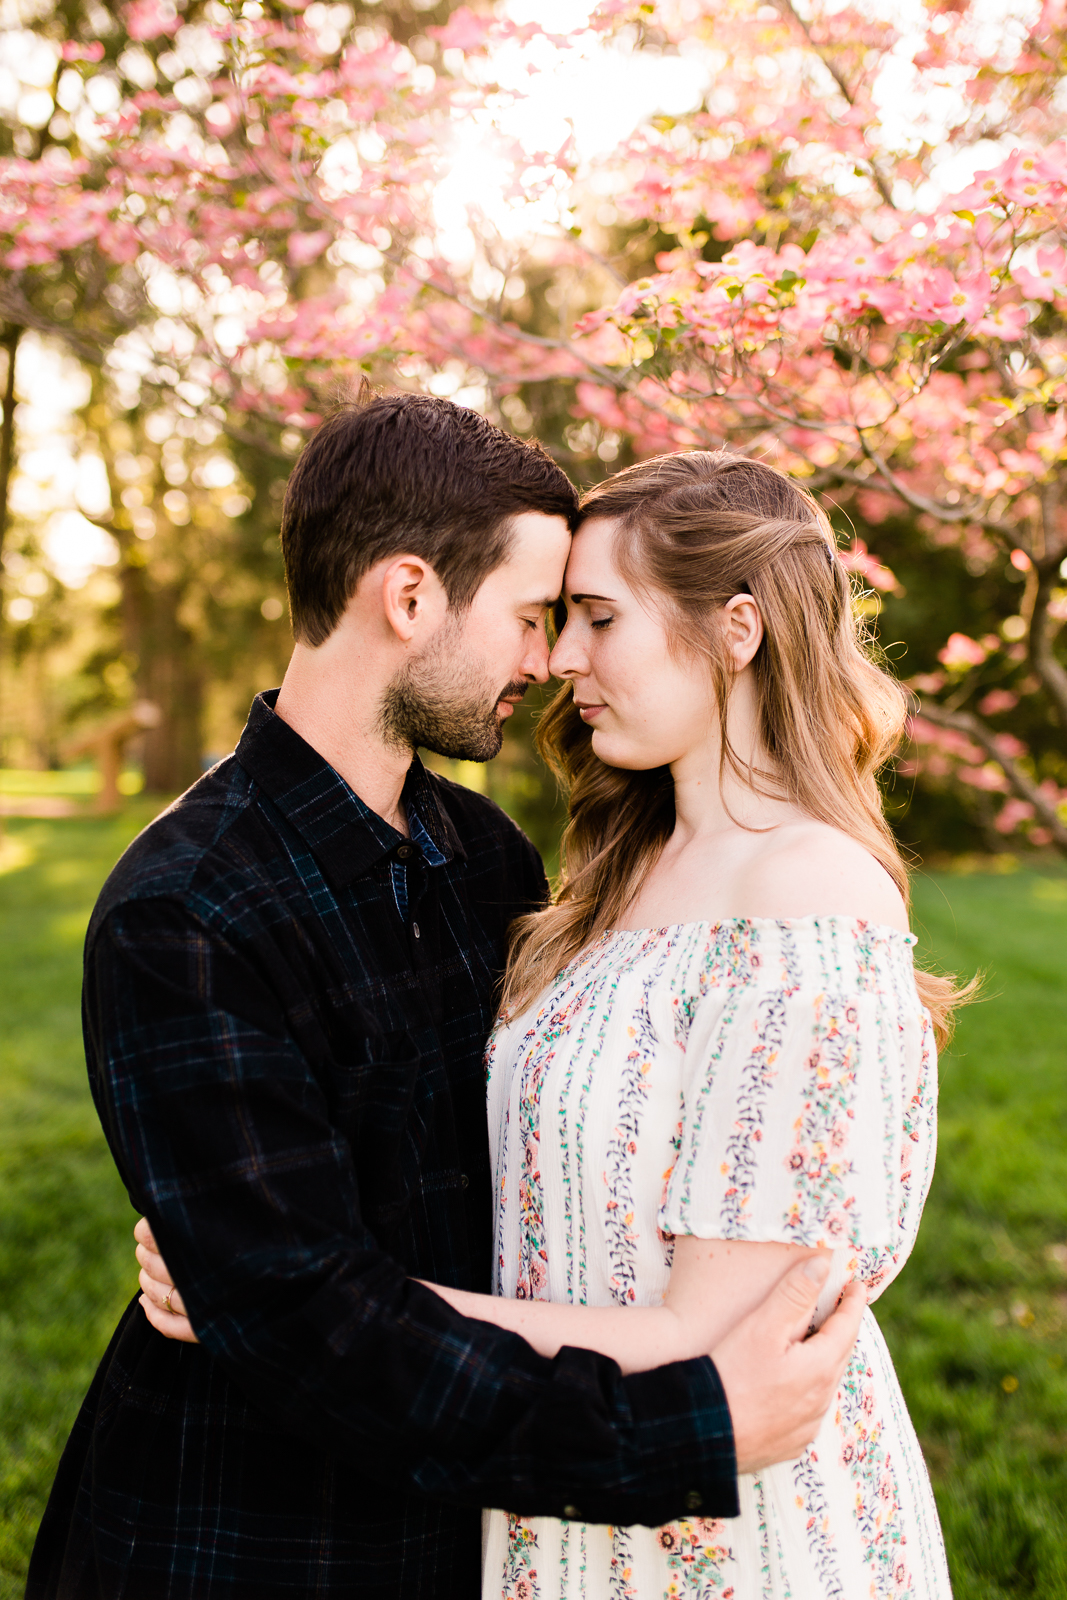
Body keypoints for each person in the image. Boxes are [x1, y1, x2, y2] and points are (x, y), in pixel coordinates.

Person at [28, 398, 864, 1600]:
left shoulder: (483, 857)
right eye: (531, 618)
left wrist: (239, 1267)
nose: (548, 660)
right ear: (409, 597)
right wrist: (687, 1429)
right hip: (258, 1528)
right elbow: (306, 1322)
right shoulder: (187, 910)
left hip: (478, 1515)